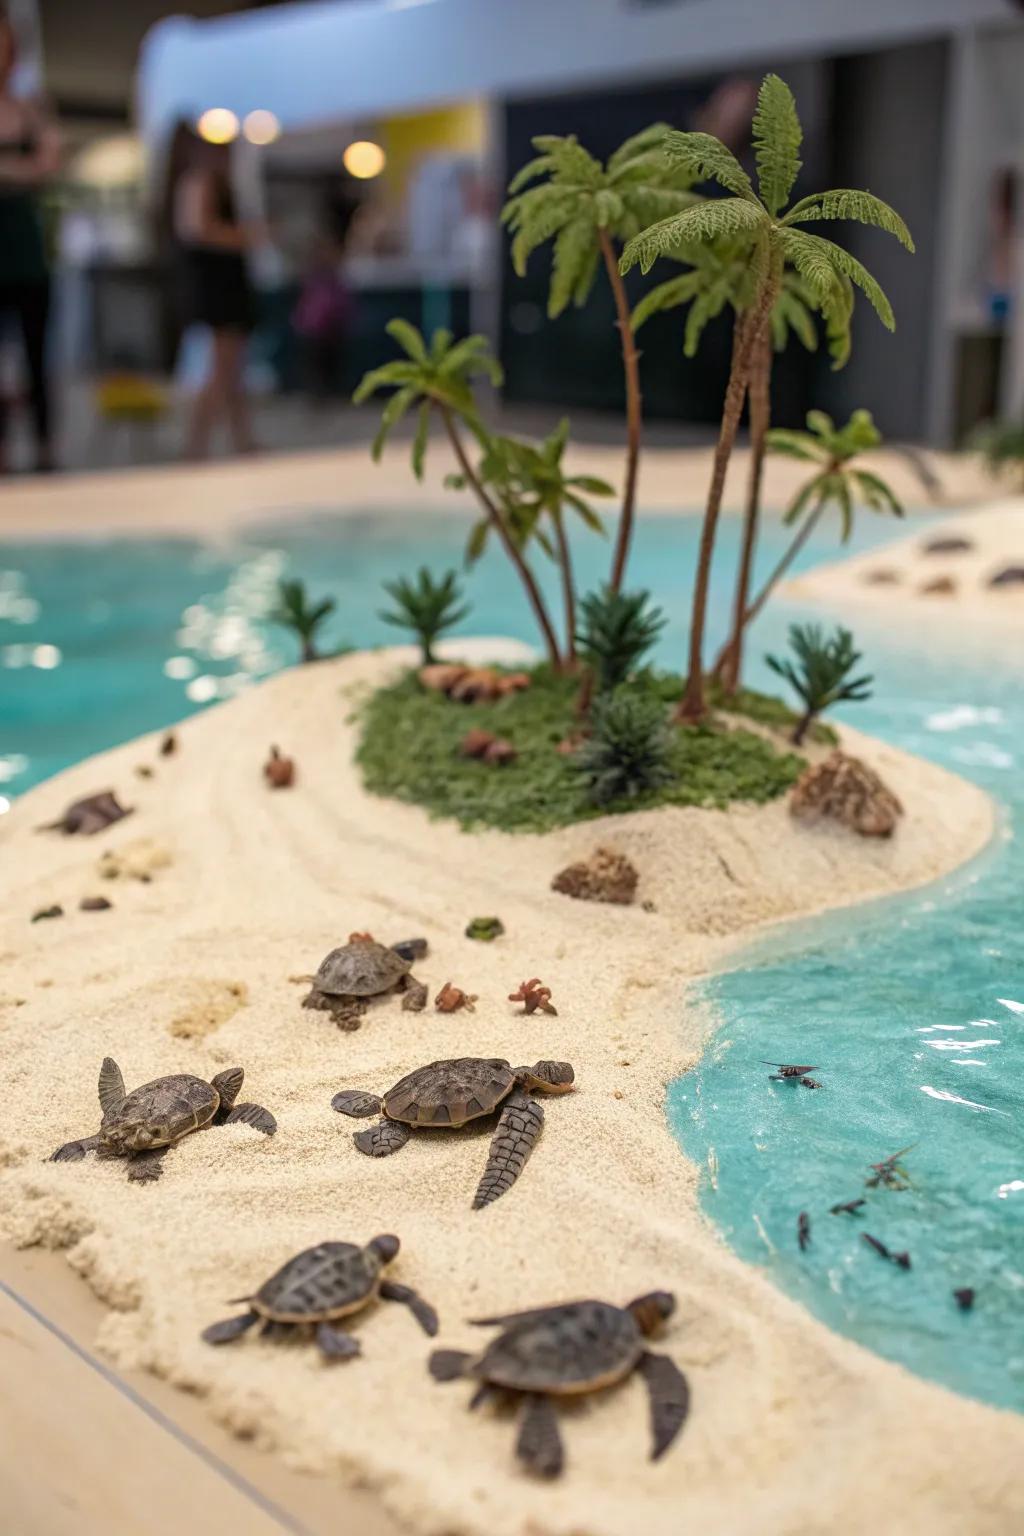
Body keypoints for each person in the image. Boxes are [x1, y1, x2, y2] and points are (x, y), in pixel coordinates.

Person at [165, 121, 263, 458]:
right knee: (219, 372)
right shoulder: (199, 180)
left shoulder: (219, 182)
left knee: (233, 373)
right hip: (215, 286)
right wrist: (245, 237)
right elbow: (197, 229)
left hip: (227, 285)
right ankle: (196, 447)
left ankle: (242, 441)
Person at [0, 6, 59, 473]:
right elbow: (34, 168)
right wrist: (22, 171)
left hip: (27, 251)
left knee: (38, 357)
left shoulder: (30, 107)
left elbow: (48, 167)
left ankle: (45, 448)